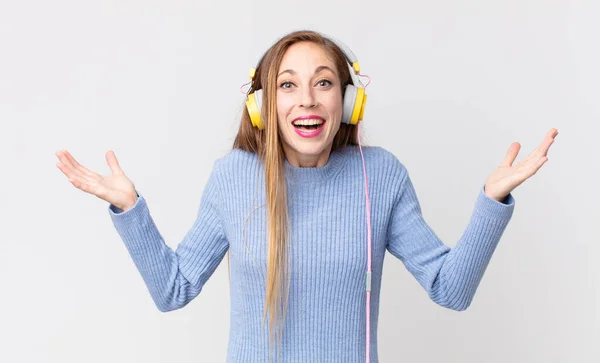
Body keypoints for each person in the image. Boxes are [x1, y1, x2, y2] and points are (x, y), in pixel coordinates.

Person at [55, 30, 558, 363]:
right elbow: (173, 290)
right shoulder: (234, 176)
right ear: (262, 106)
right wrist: (129, 208)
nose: (307, 99)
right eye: (287, 85)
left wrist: (492, 202)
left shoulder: (378, 176)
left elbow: (450, 289)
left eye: (324, 83)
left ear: (348, 99)